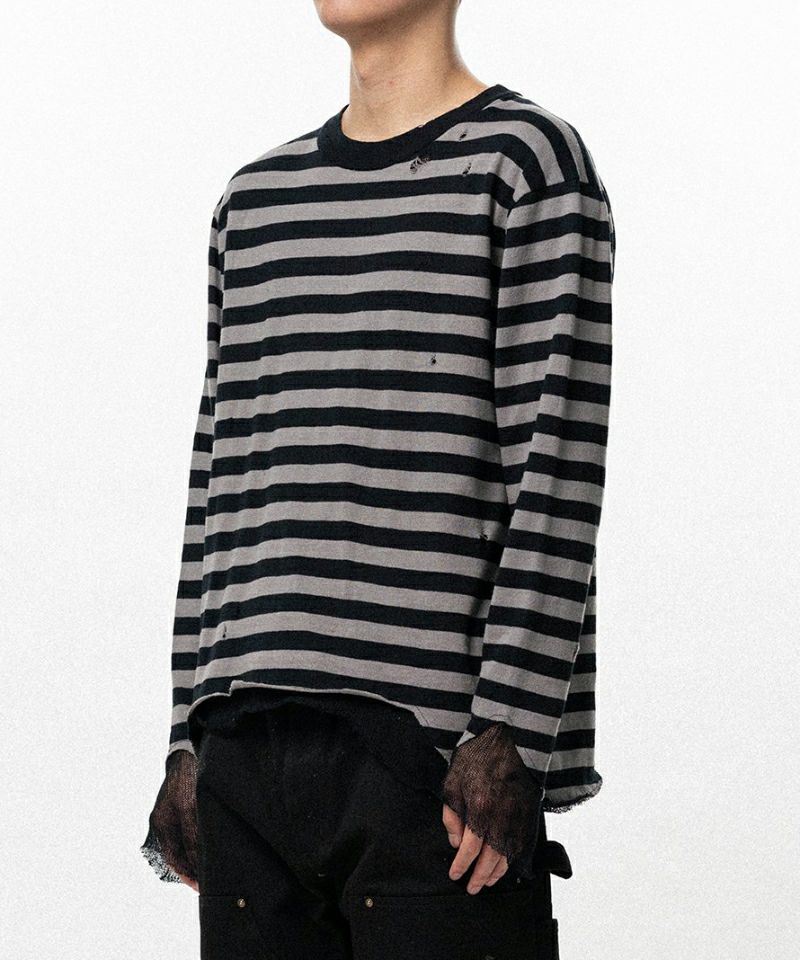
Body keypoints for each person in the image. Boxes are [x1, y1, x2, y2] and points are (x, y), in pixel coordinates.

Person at [140, 1, 615, 956]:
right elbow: (218, 481)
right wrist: (188, 735)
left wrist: (511, 728)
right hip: (246, 748)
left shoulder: (525, 164)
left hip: (432, 761)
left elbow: (556, 461)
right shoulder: (256, 200)